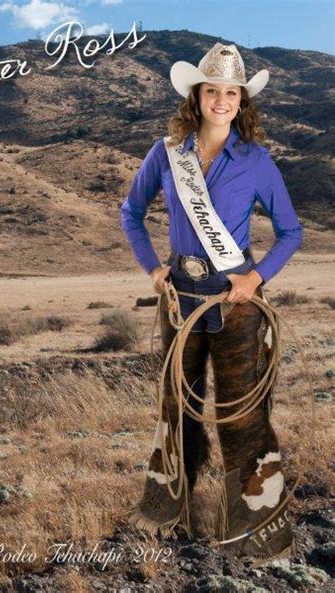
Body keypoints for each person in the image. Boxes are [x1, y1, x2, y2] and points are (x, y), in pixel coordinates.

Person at [119, 42, 303, 564]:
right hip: (180, 297)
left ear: (241, 101)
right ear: (196, 97)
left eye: (231, 93)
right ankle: (164, 511)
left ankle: (257, 528)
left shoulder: (256, 160)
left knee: (241, 415)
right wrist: (153, 267)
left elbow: (291, 231)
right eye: (212, 91)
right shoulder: (166, 153)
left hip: (237, 302)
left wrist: (257, 277)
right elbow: (130, 212)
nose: (221, 100)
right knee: (176, 405)